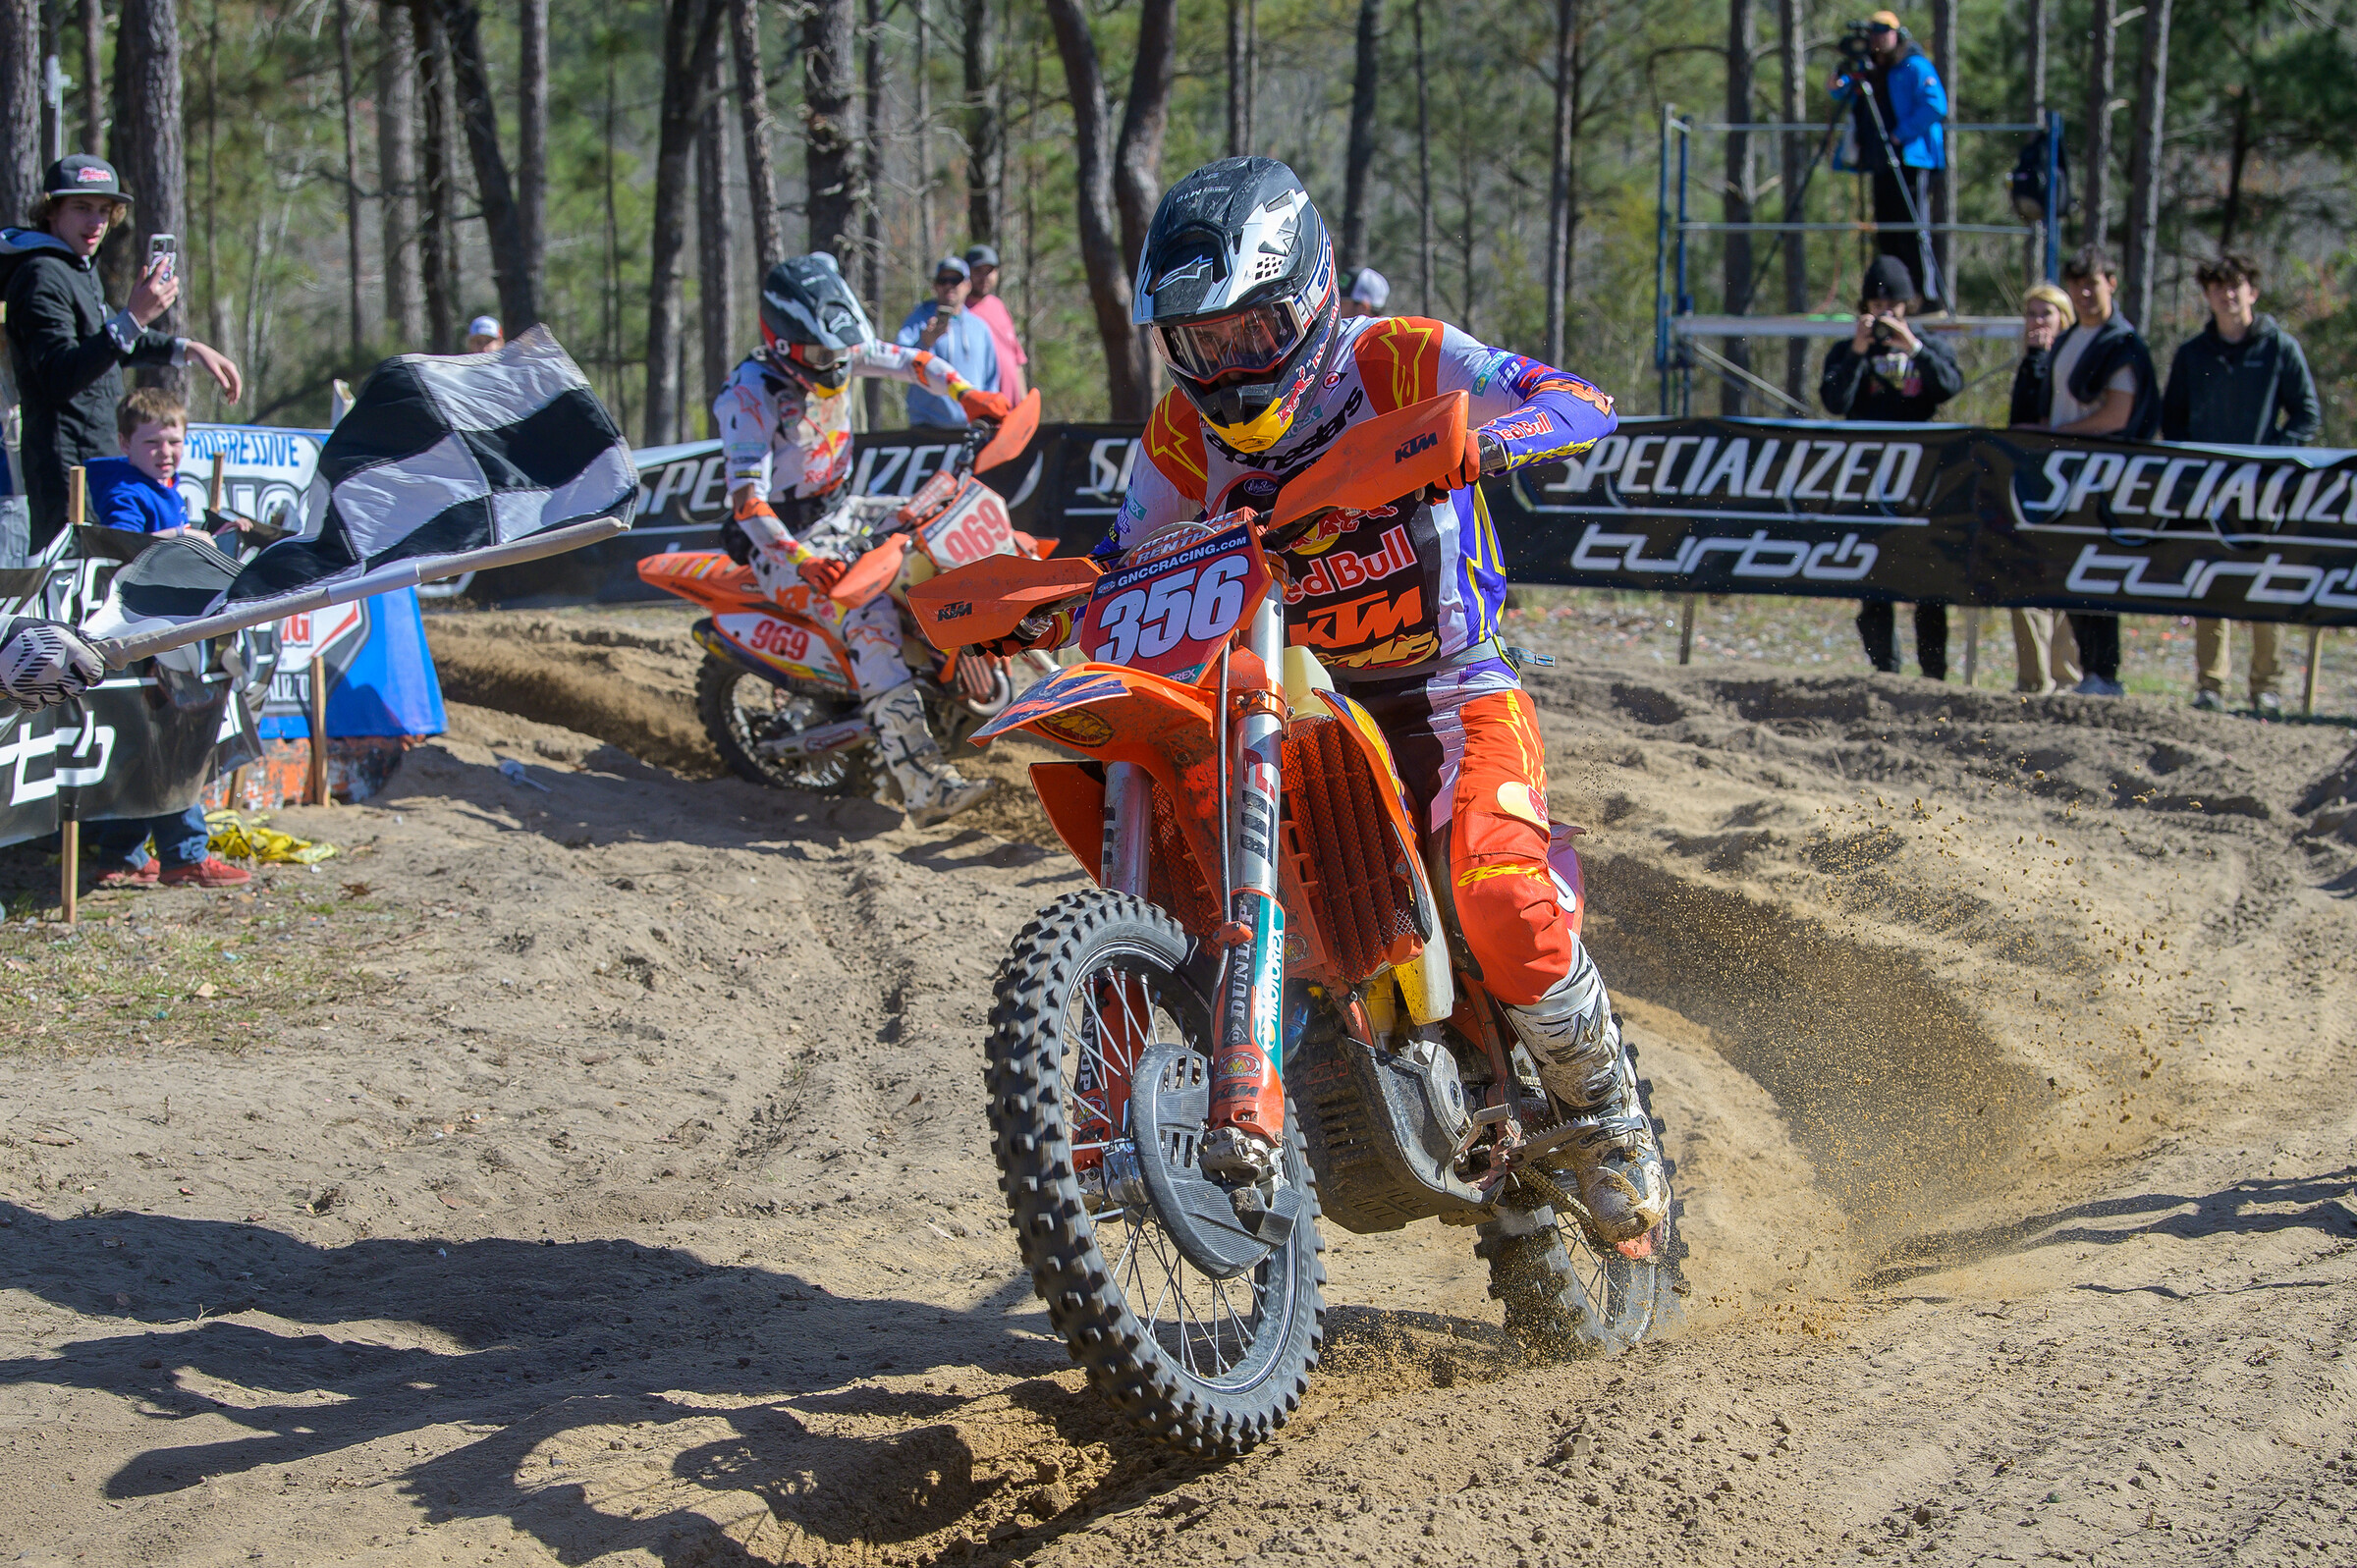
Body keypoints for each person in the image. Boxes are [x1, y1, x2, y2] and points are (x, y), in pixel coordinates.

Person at [983, 157, 1661, 1241]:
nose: (1228, 366)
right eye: (1201, 344)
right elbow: (1124, 556)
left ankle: (1608, 1112)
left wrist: (1483, 443)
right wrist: (1039, 609)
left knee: (1499, 898)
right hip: (1292, 705)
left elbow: (1578, 403)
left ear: (1307, 299)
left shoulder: (1398, 360)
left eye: (1251, 331)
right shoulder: (1179, 437)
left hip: (1446, 688)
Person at [713, 253, 1010, 825]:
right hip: (785, 544)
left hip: (844, 509)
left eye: (842, 353)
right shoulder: (748, 395)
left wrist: (966, 393)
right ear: (783, 345)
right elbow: (747, 501)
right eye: (821, 356)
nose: (836, 366)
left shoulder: (839, 351)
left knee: (945, 530)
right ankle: (923, 785)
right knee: (871, 622)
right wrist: (802, 560)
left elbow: (912, 361)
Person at [0, 155, 243, 550]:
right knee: (82, 574)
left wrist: (188, 350)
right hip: (66, 466)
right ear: (51, 211)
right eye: (82, 208)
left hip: (96, 457)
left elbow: (109, 345)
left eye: (104, 210)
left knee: (115, 566)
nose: (96, 222)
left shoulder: (75, 267)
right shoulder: (41, 274)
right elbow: (59, 375)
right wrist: (133, 318)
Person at [78, 388, 250, 890]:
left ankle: (121, 855)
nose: (165, 452)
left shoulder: (160, 488)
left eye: (173, 441)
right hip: (140, 640)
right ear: (124, 443)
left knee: (145, 749)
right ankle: (184, 854)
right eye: (152, 442)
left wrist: (210, 534)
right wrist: (180, 538)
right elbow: (121, 544)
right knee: (175, 748)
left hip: (159, 639)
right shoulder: (126, 491)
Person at [2162, 252, 2322, 717]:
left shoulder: (2279, 348)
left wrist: (2273, 456)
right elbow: (2173, 419)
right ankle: (2211, 683)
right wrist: (2194, 467)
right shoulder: (2192, 353)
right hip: (2208, 488)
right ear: (2207, 295)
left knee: (2265, 582)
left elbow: (2306, 414)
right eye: (2217, 287)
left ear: (2253, 290)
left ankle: (2266, 686)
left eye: (2235, 286)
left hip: (2266, 490)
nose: (2227, 295)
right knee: (2211, 581)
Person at [1820, 254, 1960, 680]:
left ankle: (1933, 674)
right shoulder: (1848, 351)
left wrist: (1912, 346)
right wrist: (1859, 351)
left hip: (1921, 479)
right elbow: (1834, 401)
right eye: (1876, 305)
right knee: (1873, 578)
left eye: (1892, 306)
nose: (1884, 314)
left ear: (1907, 305)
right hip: (1868, 480)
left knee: (1928, 581)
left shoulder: (1926, 346)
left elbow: (1948, 386)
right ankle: (1885, 670)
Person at [2049, 243, 2159, 697]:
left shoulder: (2121, 344)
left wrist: (2058, 434)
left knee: (2097, 572)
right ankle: (2089, 671)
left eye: (2091, 284)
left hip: (2104, 474)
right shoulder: (2069, 339)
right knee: (2070, 571)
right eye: (2076, 285)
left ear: (2111, 283)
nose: (2084, 294)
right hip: (2066, 473)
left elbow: (2118, 415)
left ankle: (2105, 673)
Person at [1829, 11, 1947, 310]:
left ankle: (1926, 296)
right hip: (1879, 160)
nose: (1877, 39)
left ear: (1898, 34)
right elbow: (1838, 92)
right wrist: (1842, 70)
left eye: (1884, 32)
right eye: (1873, 33)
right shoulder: (1870, 68)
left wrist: (1899, 134)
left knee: (1912, 229)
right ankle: (1893, 295)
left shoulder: (1914, 65)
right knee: (1888, 232)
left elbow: (1936, 106)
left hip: (1911, 160)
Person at [2005, 281, 2083, 695]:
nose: (2037, 323)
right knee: (2026, 579)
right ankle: (2034, 680)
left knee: (2067, 581)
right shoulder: (2030, 362)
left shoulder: (2076, 361)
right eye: (2031, 314)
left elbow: (2046, 415)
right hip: (2030, 485)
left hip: (2071, 483)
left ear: (2064, 319)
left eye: (2045, 314)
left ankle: (2068, 677)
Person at [894, 255, 999, 428]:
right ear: (935, 286)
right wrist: (924, 343)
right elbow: (897, 362)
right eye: (943, 280)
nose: (949, 285)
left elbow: (991, 380)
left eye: (955, 280)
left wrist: (989, 416)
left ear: (967, 285)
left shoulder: (980, 328)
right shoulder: (918, 320)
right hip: (927, 429)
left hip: (973, 428)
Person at [961, 244, 1028, 401]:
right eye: (978, 271)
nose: (984, 277)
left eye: (989, 271)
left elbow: (1016, 362)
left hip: (1012, 407)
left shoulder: (998, 306)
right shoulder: (961, 312)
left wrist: (1025, 403)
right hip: (984, 406)